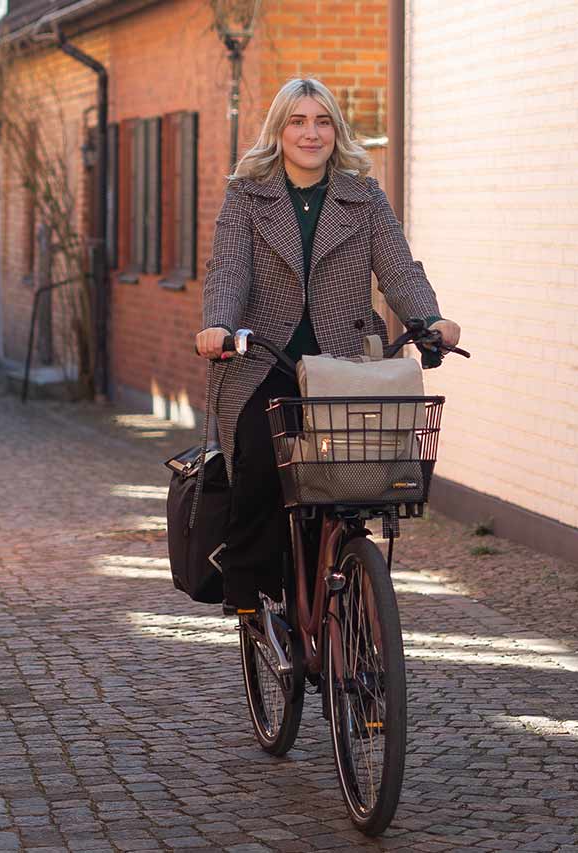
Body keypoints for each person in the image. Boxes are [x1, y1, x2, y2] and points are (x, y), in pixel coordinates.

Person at [195, 77, 461, 616]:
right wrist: (219, 326)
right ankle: (247, 586)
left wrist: (428, 319)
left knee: (353, 476)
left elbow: (398, 268)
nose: (310, 133)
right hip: (265, 358)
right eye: (298, 121)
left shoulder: (361, 197)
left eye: (321, 121)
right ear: (279, 130)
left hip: (344, 363)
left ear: (336, 131)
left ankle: (335, 594)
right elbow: (228, 270)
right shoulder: (248, 195)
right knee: (263, 457)